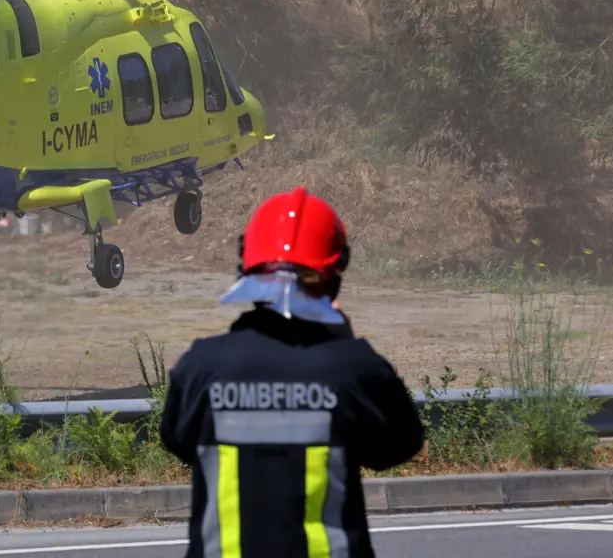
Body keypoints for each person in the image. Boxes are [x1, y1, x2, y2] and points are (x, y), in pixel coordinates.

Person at [158, 186, 425, 557]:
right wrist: (345, 343)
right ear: (336, 270)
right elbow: (398, 446)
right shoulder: (354, 368)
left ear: (245, 265)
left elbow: (177, 441)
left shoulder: (201, 366)